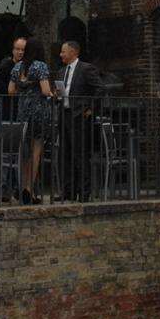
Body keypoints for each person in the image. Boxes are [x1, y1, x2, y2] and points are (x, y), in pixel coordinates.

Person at [7, 38, 54, 205]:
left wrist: (24, 89)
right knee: (35, 153)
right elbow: (45, 90)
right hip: (39, 114)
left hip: (22, 114)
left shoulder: (18, 66)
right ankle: (29, 189)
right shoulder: (40, 66)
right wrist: (53, 94)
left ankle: (22, 187)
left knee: (24, 153)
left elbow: (10, 91)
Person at [56, 39, 103, 202]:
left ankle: (84, 191)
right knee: (66, 154)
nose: (61, 54)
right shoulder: (61, 71)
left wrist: (90, 108)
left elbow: (99, 88)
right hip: (65, 114)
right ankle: (68, 191)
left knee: (80, 154)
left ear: (73, 52)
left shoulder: (86, 68)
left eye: (63, 51)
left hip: (79, 116)